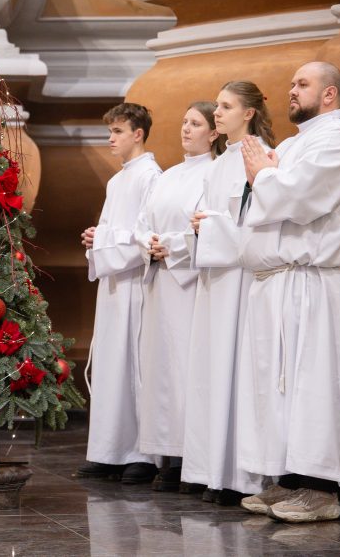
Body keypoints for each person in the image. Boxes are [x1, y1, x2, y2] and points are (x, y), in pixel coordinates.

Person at [235, 61, 340, 522]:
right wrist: (266, 177)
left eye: (302, 84)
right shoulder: (294, 143)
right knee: (278, 384)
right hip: (280, 281)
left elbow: (297, 199)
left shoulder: (338, 142)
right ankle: (287, 480)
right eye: (291, 83)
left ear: (329, 94)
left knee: (310, 384)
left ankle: (321, 491)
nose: (291, 90)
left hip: (313, 281)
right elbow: (264, 202)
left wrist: (264, 176)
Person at [182, 82, 275, 505]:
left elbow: (257, 220)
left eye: (226, 106)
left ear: (249, 113)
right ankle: (211, 470)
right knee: (211, 371)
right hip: (214, 281)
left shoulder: (259, 156)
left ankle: (240, 476)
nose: (218, 113)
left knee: (236, 373)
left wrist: (212, 226)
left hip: (240, 281)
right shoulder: (221, 163)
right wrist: (199, 225)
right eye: (216, 106)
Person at [133, 102, 219, 490]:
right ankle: (166, 456)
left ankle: (191, 459)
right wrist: (146, 243)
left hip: (190, 286)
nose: (185, 129)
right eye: (184, 121)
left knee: (186, 370)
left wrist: (172, 246)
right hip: (159, 284)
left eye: (196, 123)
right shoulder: (167, 175)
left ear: (214, 133)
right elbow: (142, 222)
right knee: (160, 371)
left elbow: (209, 224)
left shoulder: (215, 174)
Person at [78, 102, 162, 483]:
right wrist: (96, 239)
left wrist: (105, 240)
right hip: (113, 284)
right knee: (112, 365)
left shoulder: (151, 177)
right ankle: (108, 451)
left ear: (138, 134)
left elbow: (145, 236)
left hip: (134, 285)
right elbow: (114, 229)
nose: (110, 139)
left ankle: (140, 455)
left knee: (133, 367)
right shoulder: (117, 180)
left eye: (117, 132)